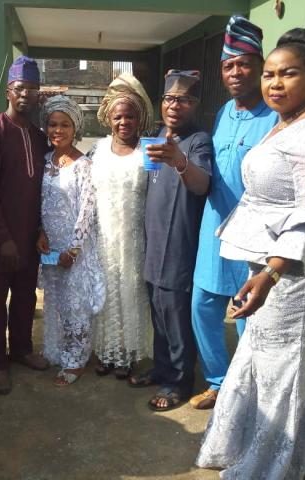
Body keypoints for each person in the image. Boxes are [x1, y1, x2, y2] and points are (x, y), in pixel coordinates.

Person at [196, 29, 305, 478]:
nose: (275, 83)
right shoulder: (288, 121)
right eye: (269, 74)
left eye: (288, 74)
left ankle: (276, 461)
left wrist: (270, 274)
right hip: (275, 262)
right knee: (266, 357)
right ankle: (268, 440)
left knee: (288, 363)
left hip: (302, 270)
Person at [190, 15, 278, 410]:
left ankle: (247, 389)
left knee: (246, 315)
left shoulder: (277, 115)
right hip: (215, 226)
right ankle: (218, 382)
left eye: (244, 63)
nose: (236, 72)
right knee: (203, 308)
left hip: (255, 234)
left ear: (260, 66)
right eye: (228, 65)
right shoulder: (224, 111)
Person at [129, 70, 212, 411]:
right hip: (153, 240)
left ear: (195, 105)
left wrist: (179, 159)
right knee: (159, 315)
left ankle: (179, 381)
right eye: (169, 98)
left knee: (176, 315)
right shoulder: (156, 136)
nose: (174, 106)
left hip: (179, 242)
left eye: (184, 100)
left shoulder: (199, 142)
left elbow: (202, 184)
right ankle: (162, 368)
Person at [0, 56, 50, 395]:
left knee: (24, 299)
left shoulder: (38, 135)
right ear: (9, 91)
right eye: (21, 89)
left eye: (33, 90)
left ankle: (20, 350)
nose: (27, 95)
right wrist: (2, 240)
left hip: (29, 236)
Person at [36, 95, 105, 386]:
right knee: (56, 302)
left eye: (64, 124)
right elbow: (37, 201)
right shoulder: (43, 161)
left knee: (75, 303)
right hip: (49, 246)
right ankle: (58, 350)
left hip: (74, 248)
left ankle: (75, 360)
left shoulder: (83, 165)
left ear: (75, 128)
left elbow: (87, 211)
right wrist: (40, 232)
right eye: (52, 124)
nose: (58, 130)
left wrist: (73, 250)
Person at [90, 73, 154, 380]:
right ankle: (105, 352)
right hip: (103, 239)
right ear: (109, 119)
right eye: (118, 116)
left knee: (130, 294)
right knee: (105, 295)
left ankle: (127, 354)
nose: (124, 122)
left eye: (130, 116)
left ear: (139, 118)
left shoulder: (148, 152)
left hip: (133, 240)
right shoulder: (98, 151)